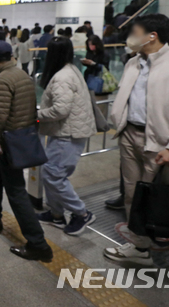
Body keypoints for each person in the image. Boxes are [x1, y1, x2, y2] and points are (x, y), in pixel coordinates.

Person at [103, 14, 169, 264]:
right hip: (130, 135)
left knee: (157, 195)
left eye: (134, 31)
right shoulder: (133, 63)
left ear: (152, 36)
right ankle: (139, 246)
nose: (129, 37)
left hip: (160, 142)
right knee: (131, 192)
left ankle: (163, 240)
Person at [0, 41, 53, 262]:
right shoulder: (22, 75)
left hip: (8, 142)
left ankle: (39, 244)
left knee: (17, 192)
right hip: (19, 137)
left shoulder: (0, 80)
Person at [36, 37, 97, 236]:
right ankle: (56, 215)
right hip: (65, 131)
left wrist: (35, 115)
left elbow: (60, 110)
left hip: (68, 134)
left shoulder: (62, 77)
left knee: (54, 175)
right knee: (50, 173)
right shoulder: (72, 69)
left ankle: (82, 213)